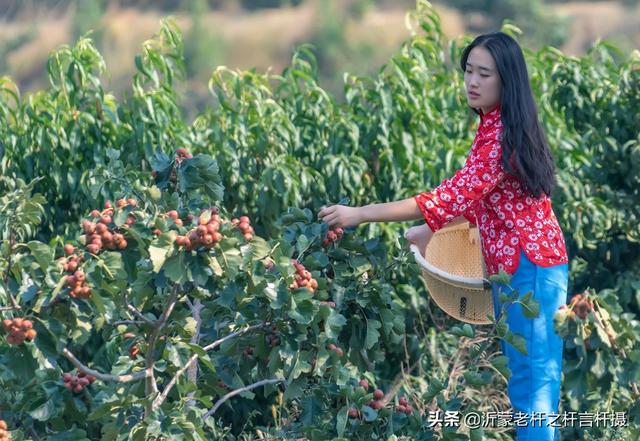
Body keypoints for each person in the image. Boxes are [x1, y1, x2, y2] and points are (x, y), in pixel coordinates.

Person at [318, 31, 569, 441]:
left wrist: (360, 214)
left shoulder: (501, 136)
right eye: (468, 70)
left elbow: (446, 197)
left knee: (534, 387)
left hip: (533, 271)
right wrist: (426, 229)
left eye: (484, 74)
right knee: (530, 385)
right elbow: (479, 201)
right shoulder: (494, 128)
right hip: (521, 270)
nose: (472, 81)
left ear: (507, 81)